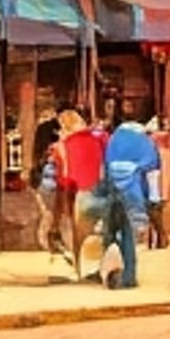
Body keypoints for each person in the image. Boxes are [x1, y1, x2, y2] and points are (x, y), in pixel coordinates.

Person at [98, 115, 161, 291]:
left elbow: (104, 169)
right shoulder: (145, 144)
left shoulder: (113, 141)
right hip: (133, 194)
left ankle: (106, 273)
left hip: (112, 193)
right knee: (128, 235)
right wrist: (154, 199)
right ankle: (128, 276)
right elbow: (152, 172)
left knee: (109, 234)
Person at [51, 110, 107, 282]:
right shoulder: (99, 140)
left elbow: (65, 177)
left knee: (80, 238)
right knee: (98, 235)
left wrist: (59, 209)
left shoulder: (61, 146)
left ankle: (80, 272)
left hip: (79, 193)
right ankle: (100, 270)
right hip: (100, 190)